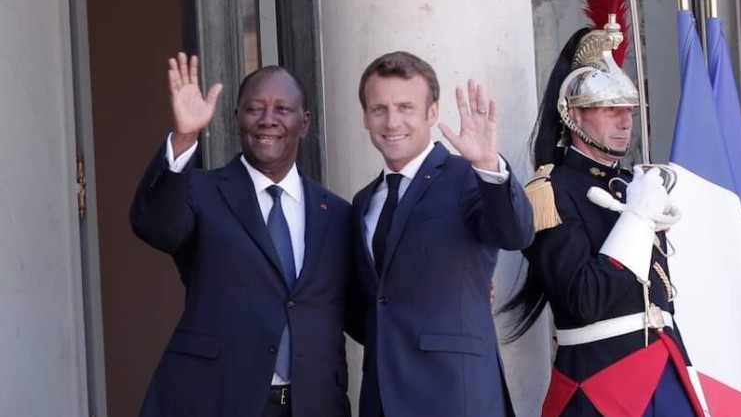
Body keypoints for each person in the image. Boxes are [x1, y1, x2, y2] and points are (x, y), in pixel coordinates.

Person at [501, 0, 706, 417]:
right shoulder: (550, 191)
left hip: (665, 369)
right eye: (608, 108)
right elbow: (583, 300)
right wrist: (634, 220)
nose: (624, 120)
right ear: (572, 115)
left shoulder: (633, 183)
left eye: (628, 108)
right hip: (599, 385)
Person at [130, 53, 353, 417]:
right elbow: (155, 227)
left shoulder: (338, 213)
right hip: (217, 399)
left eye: (282, 109)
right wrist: (185, 136)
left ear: (305, 121)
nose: (268, 119)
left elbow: (363, 308)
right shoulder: (201, 191)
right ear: (237, 118)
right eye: (254, 108)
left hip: (313, 404)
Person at [350, 51, 534, 417]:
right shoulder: (363, 202)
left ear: (432, 113)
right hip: (382, 398)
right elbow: (371, 306)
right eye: (379, 109)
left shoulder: (467, 178)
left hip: (455, 394)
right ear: (365, 119)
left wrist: (488, 166)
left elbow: (515, 234)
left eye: (406, 107)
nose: (392, 121)